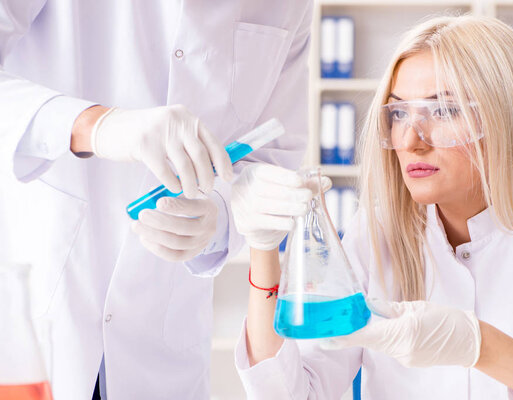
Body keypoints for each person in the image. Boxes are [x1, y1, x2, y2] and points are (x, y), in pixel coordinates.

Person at [230, 15, 513, 399]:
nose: (410, 140)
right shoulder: (374, 239)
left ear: (506, 120)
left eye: (443, 111)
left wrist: (480, 346)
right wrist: (264, 248)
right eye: (399, 113)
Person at [0, 1, 313, 399]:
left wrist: (216, 219)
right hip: (39, 320)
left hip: (162, 353)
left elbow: (272, 157)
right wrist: (93, 125)